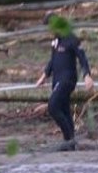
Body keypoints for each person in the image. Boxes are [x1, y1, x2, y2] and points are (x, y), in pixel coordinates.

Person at [34, 14, 94, 151]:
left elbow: (82, 58)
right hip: (56, 80)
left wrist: (87, 75)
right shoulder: (56, 40)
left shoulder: (72, 38)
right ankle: (71, 143)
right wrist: (44, 75)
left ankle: (68, 139)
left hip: (67, 79)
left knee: (53, 107)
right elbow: (53, 60)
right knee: (65, 110)